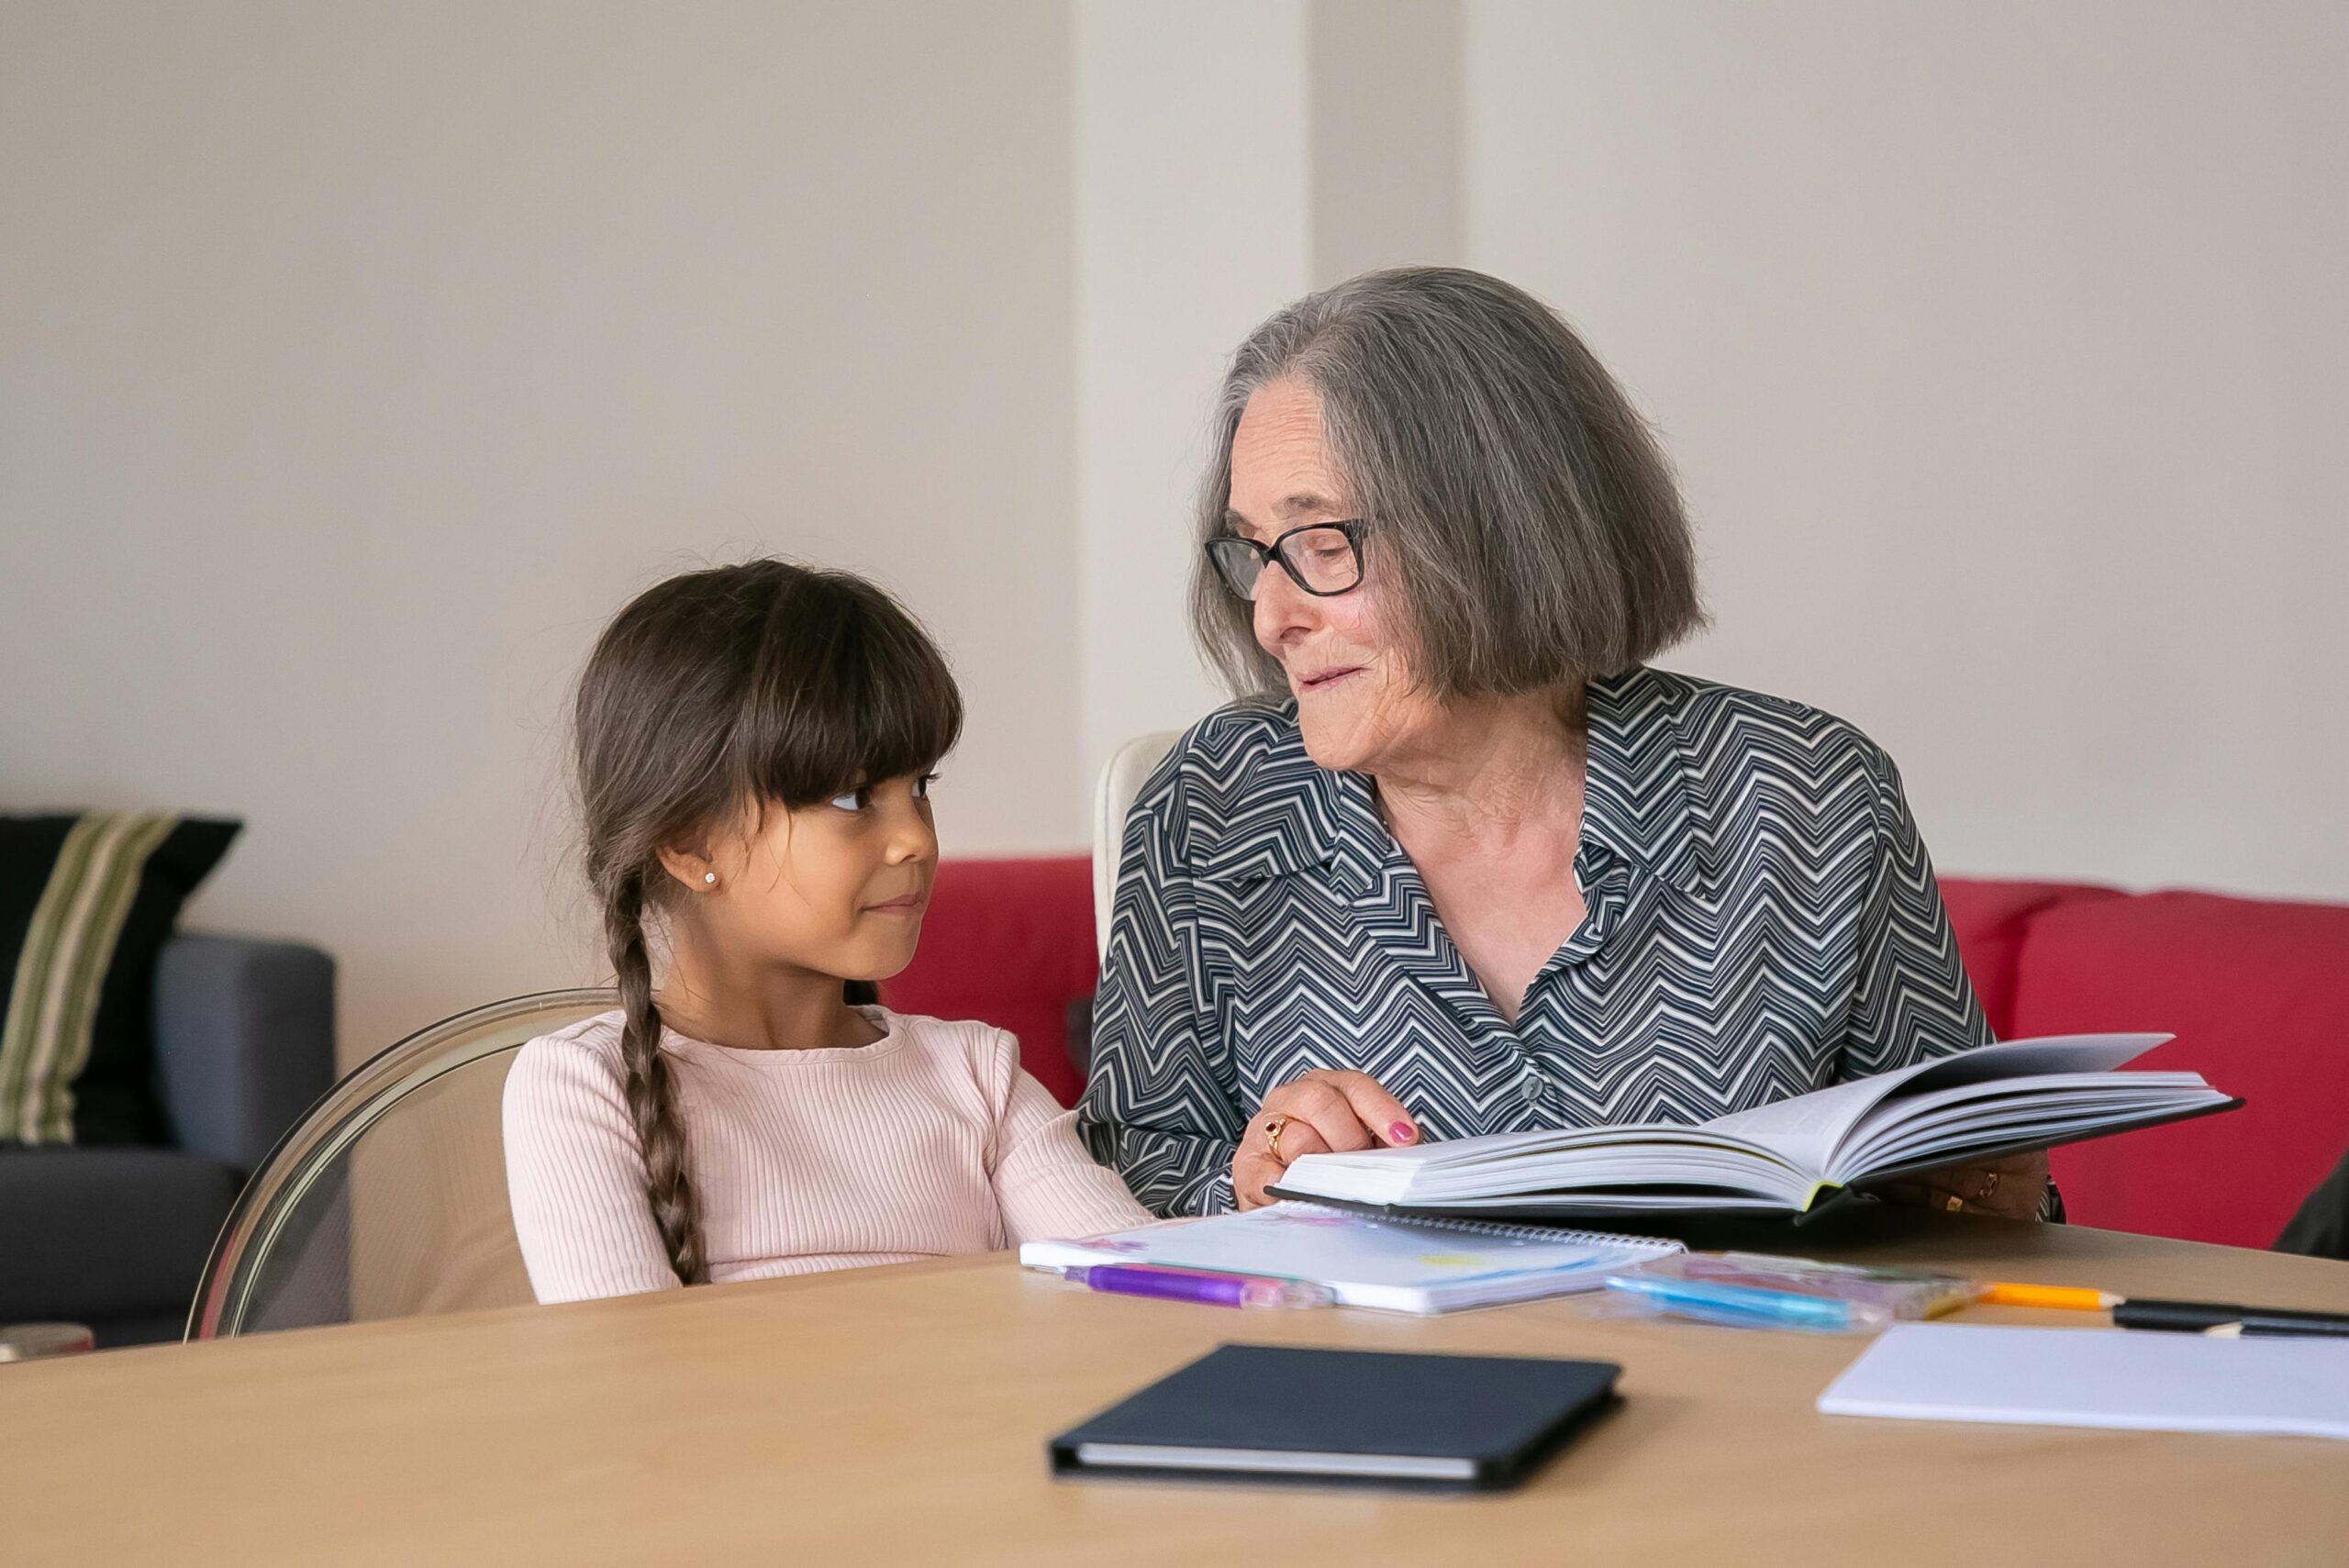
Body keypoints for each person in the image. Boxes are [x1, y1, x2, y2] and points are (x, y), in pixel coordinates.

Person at [1080, 266, 2047, 1221]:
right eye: (1254, 552)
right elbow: (1119, 1177)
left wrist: (1976, 1195)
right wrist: (1254, 1183)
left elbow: (1981, 1185)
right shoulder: (1217, 799)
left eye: (1322, 544)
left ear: (1495, 532)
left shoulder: (1802, 794)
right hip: (1367, 1373)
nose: (1270, 616)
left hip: (1741, 1368)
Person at [505, 561, 1147, 1304]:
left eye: (920, 787)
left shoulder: (980, 1076)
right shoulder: (581, 1087)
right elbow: (635, 1391)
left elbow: (1142, 1298)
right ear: (689, 844)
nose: (916, 839)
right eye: (852, 796)